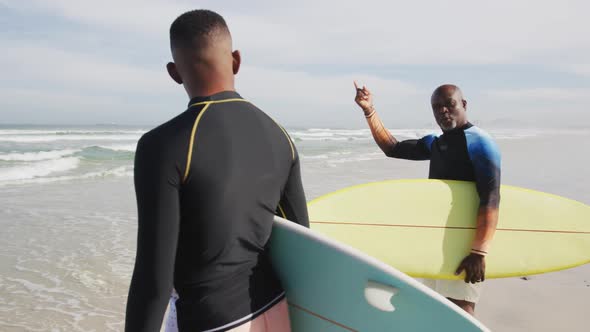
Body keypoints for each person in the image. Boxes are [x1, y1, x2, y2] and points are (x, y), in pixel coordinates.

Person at [125, 9, 309, 332]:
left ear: (174, 73)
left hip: (212, 320)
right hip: (277, 313)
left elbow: (153, 280)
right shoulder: (281, 137)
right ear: (236, 60)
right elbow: (302, 244)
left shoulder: (161, 146)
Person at [353, 81, 501, 315]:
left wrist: (479, 252)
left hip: (465, 241)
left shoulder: (480, 142)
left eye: (449, 104)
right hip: (436, 238)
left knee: (461, 308)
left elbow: (490, 198)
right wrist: (369, 110)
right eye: (437, 107)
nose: (443, 110)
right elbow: (393, 148)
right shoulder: (436, 142)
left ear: (463, 104)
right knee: (437, 307)